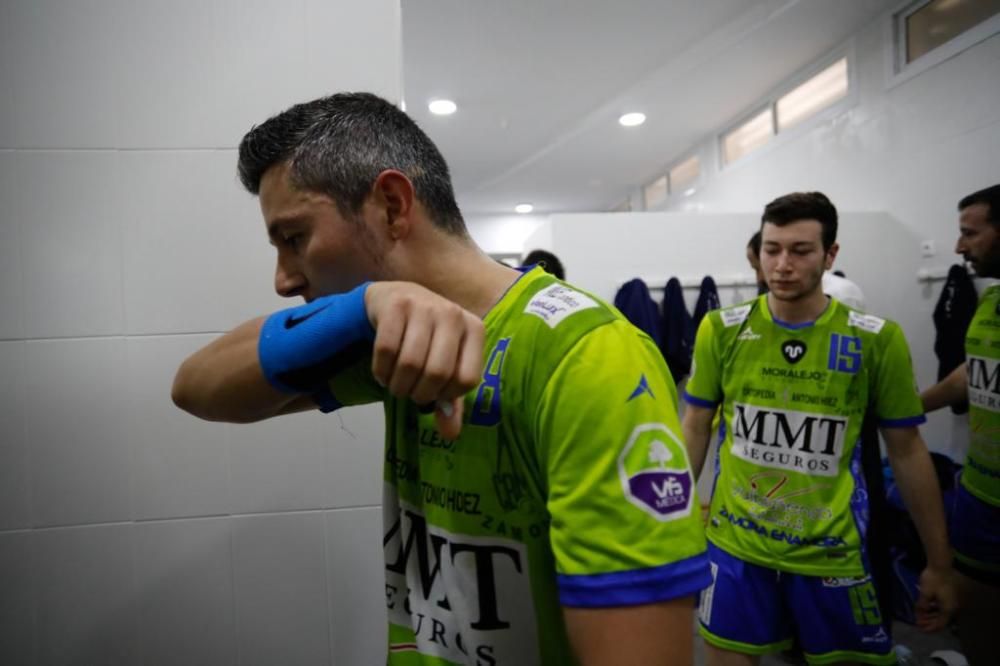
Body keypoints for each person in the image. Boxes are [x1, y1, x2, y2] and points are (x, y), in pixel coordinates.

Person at [171, 92, 710, 665]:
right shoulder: (384, 336)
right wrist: (365, 305)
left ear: (392, 204)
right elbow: (196, 386)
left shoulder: (586, 356)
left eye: (295, 237)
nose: (282, 279)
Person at [681, 191, 955, 665]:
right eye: (772, 249)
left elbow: (908, 451)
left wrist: (940, 563)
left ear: (830, 255)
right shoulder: (720, 329)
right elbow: (696, 427)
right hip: (736, 549)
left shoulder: (875, 339)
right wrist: (677, 531)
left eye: (800, 250)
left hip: (833, 555)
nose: (782, 264)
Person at [920, 184, 1000, 666]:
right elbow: (974, 373)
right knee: (976, 620)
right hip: (979, 499)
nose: (959, 247)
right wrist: (903, 408)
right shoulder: (991, 304)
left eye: (970, 233)